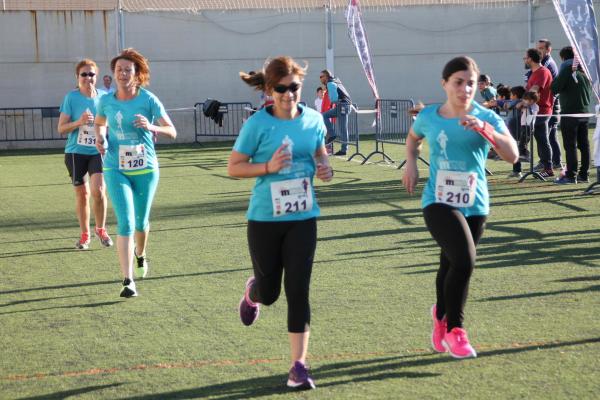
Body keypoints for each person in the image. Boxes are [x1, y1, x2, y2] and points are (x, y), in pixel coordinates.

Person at [402, 56, 518, 359]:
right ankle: (456, 330)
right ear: (445, 84)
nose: (465, 89)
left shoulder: (486, 117)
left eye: (470, 83)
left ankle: (440, 316)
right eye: (458, 82)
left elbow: (513, 156)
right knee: (465, 261)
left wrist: (485, 130)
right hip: (438, 200)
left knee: (450, 264)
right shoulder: (429, 116)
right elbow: (412, 139)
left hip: (475, 202)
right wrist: (411, 165)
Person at [230, 56, 333, 390]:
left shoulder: (314, 120)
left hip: (303, 218)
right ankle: (253, 292)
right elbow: (234, 167)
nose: (289, 94)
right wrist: (268, 168)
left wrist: (325, 168)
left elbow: (320, 153)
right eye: (281, 88)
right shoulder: (257, 125)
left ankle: (298, 367)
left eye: (294, 87)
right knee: (271, 292)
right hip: (264, 219)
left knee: (299, 290)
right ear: (270, 90)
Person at [95, 48, 176, 298]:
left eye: (127, 70)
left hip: (146, 168)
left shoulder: (149, 99)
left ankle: (140, 255)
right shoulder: (106, 101)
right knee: (126, 222)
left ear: (137, 74)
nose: (122, 73)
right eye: (118, 69)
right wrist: (100, 140)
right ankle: (128, 280)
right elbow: (100, 124)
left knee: (141, 223)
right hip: (114, 167)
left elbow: (172, 130)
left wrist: (150, 126)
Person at [57, 59, 113, 250]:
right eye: (84, 74)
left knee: (98, 190)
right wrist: (79, 122)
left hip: (97, 151)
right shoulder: (71, 98)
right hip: (75, 152)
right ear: (77, 77)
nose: (88, 78)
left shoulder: (104, 98)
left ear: (96, 77)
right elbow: (61, 128)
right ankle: (84, 235)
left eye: (91, 74)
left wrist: (105, 137)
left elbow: (110, 123)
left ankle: (101, 229)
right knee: (83, 194)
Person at [551, 46, 592, 184]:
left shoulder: (567, 70)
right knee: (584, 145)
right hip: (585, 112)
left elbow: (555, 87)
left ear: (563, 58)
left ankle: (570, 175)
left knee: (570, 145)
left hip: (570, 113)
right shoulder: (584, 71)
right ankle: (584, 174)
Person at [529, 39, 562, 170]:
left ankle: (547, 162)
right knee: (550, 134)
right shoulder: (543, 63)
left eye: (542, 48)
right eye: (538, 48)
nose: (539, 50)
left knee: (545, 135)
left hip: (550, 104)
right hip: (549, 103)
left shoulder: (547, 64)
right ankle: (555, 161)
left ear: (549, 49)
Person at [523, 48, 554, 178]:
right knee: (539, 139)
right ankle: (544, 164)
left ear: (530, 59)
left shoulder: (542, 72)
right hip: (534, 111)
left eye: (525, 57)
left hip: (542, 110)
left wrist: (521, 102)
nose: (524, 59)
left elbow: (533, 92)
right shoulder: (534, 72)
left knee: (542, 139)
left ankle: (548, 168)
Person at [319, 69, 351, 155]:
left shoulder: (330, 83)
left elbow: (334, 99)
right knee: (323, 115)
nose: (320, 79)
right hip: (342, 105)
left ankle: (343, 149)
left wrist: (333, 102)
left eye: (321, 77)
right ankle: (332, 134)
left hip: (342, 105)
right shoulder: (336, 81)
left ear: (326, 77)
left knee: (343, 128)